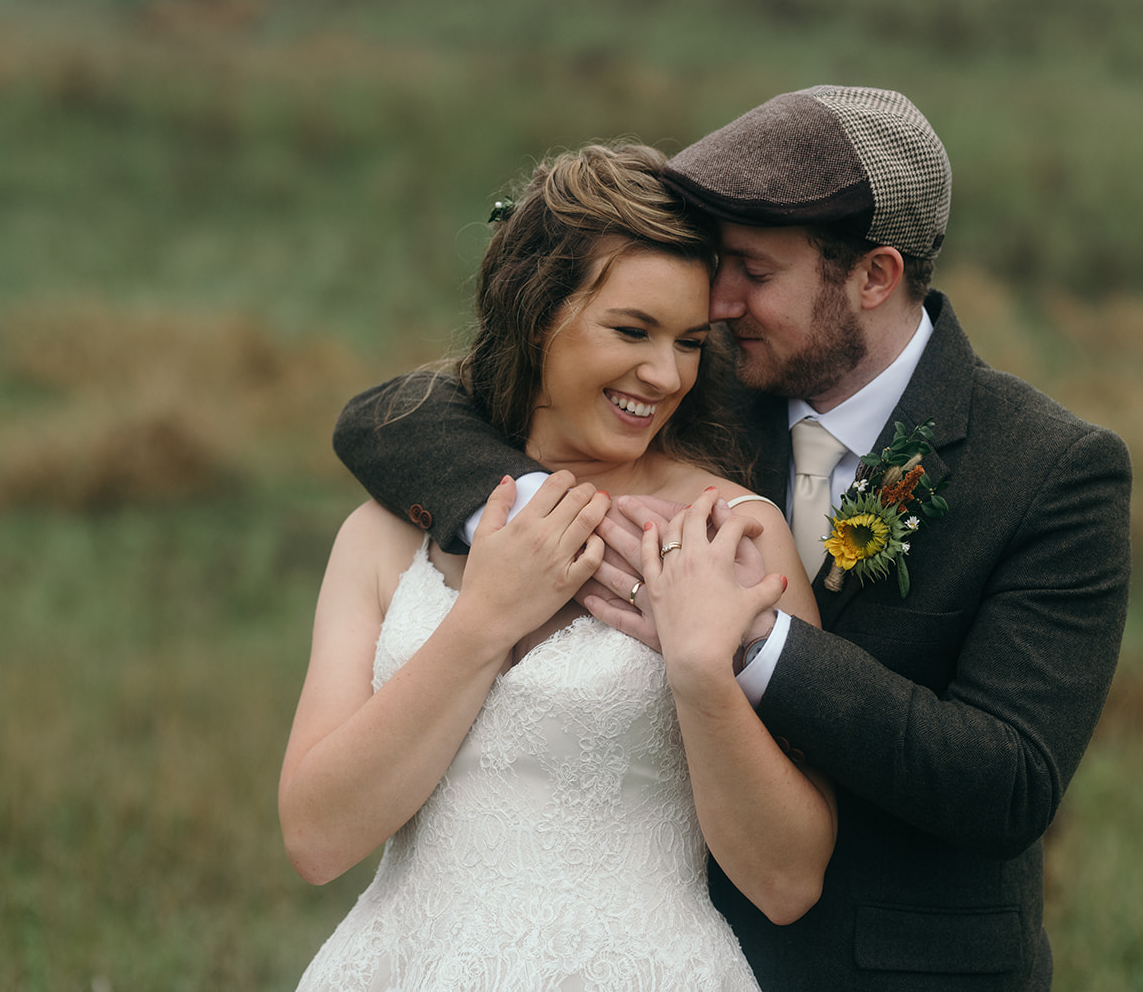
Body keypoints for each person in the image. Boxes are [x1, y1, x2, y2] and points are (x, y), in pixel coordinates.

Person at [332, 87, 1133, 990]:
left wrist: (753, 641)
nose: (717, 300)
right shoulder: (696, 377)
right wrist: (522, 524)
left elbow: (1010, 781)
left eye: (752, 270)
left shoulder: (1050, 469)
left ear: (873, 275)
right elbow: (390, 417)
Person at [281, 142, 835, 991]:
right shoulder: (387, 531)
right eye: (631, 330)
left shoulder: (734, 535)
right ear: (538, 314)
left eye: (690, 341)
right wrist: (485, 619)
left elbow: (789, 881)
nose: (665, 373)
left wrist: (699, 671)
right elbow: (317, 838)